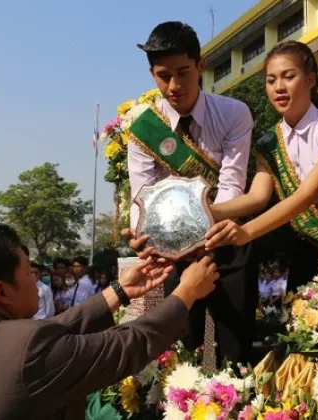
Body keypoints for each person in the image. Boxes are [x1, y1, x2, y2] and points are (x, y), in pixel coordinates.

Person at [0, 223, 219, 420]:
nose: (36, 280)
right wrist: (187, 292)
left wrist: (119, 292)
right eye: (28, 274)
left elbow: (54, 330)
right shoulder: (26, 349)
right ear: (2, 292)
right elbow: (126, 344)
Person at [125, 21, 258, 365]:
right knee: (181, 351)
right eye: (162, 75)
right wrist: (141, 235)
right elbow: (142, 195)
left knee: (236, 349)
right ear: (151, 73)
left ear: (201, 66)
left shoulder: (233, 114)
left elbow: (231, 184)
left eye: (183, 72)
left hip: (226, 238)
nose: (173, 86)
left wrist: (204, 233)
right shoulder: (143, 128)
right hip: (174, 252)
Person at [204, 40, 318, 291]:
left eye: (288, 77)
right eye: (271, 80)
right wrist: (202, 212)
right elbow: (257, 198)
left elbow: (306, 194)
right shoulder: (269, 142)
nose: (279, 87)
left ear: (311, 80)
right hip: (304, 245)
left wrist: (246, 231)